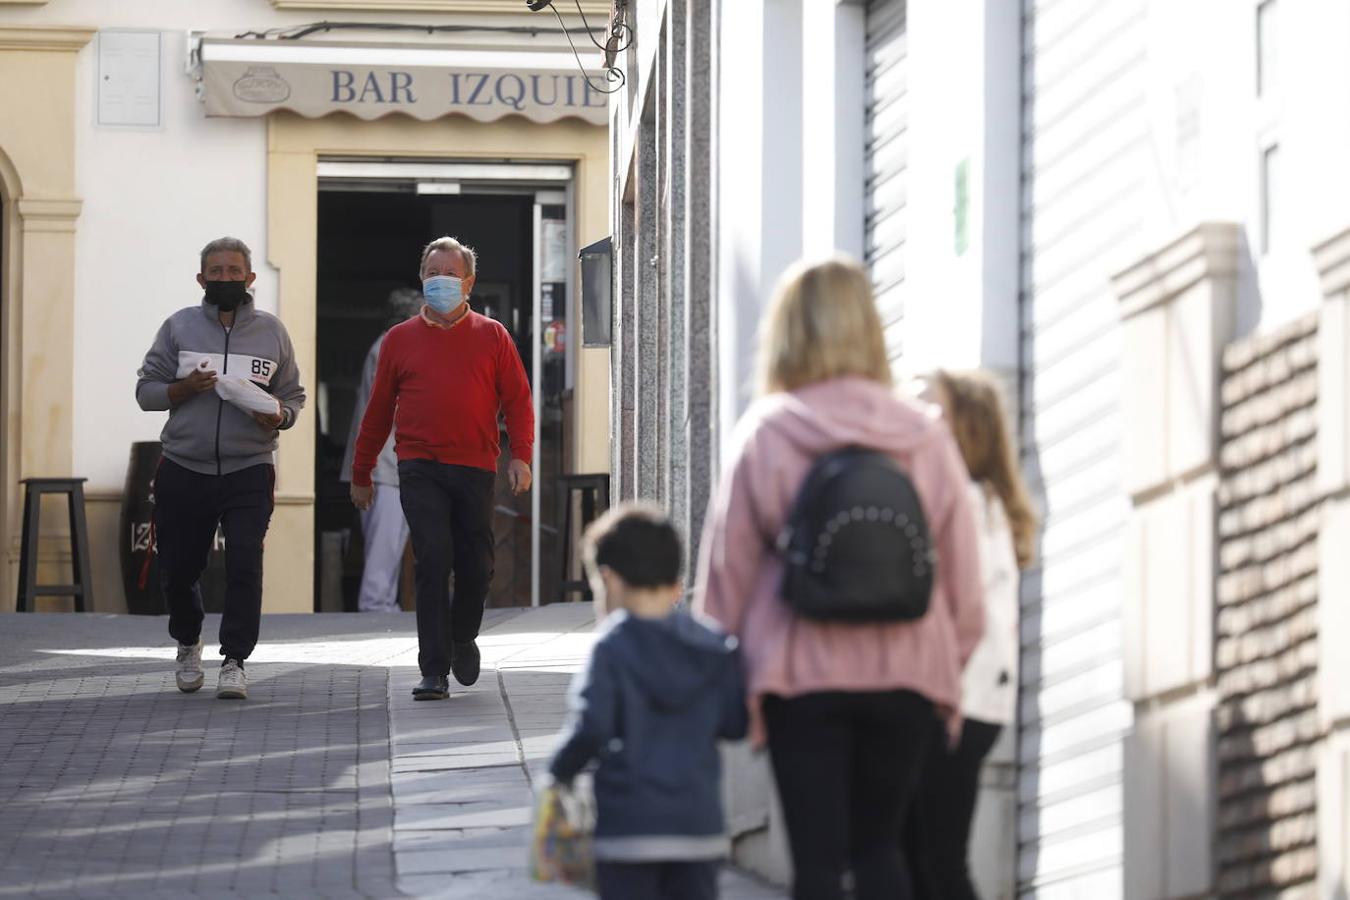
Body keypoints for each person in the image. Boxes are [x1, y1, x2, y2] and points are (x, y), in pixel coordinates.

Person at [693, 256, 985, 900]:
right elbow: (966, 580)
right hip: (908, 674)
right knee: (882, 849)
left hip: (801, 677)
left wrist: (725, 677)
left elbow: (726, 576)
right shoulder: (921, 434)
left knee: (818, 864)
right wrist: (943, 664)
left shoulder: (769, 431)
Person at [349, 236, 533, 700]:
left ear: (468, 283)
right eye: (433, 274)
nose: (441, 282)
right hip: (419, 466)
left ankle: (462, 635)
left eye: (450, 275)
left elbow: (518, 400)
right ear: (421, 279)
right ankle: (433, 669)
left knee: (477, 565)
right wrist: (362, 471)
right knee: (432, 559)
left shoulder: (493, 336)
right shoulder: (399, 340)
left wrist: (522, 456)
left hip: (474, 466)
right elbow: (377, 411)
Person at [135, 236, 306, 701]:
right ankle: (189, 641)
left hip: (249, 467)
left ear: (250, 279)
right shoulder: (179, 328)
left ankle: (235, 660)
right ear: (201, 279)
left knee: (245, 561)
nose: (226, 279)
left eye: (235, 272)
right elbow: (146, 391)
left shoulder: (272, 332)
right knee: (179, 567)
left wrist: (278, 415)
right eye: (217, 272)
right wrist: (183, 388)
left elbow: (293, 398)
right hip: (184, 467)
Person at [548, 504, 748, 900]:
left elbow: (591, 728)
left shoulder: (612, 647)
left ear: (610, 580)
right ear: (674, 581)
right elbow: (735, 723)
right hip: (699, 827)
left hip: (629, 830)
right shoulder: (713, 645)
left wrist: (557, 774)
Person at [905, 369, 1037, 900]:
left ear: (965, 428)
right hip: (965, 698)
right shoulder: (977, 501)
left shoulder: (968, 502)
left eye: (928, 408)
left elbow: (964, 611)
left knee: (933, 858)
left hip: (958, 698)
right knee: (921, 856)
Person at [340, 288, 423, 613]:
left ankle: (382, 609)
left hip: (392, 466)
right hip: (381, 466)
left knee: (390, 546)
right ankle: (375, 613)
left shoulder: (392, 345)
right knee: (383, 550)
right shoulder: (389, 347)